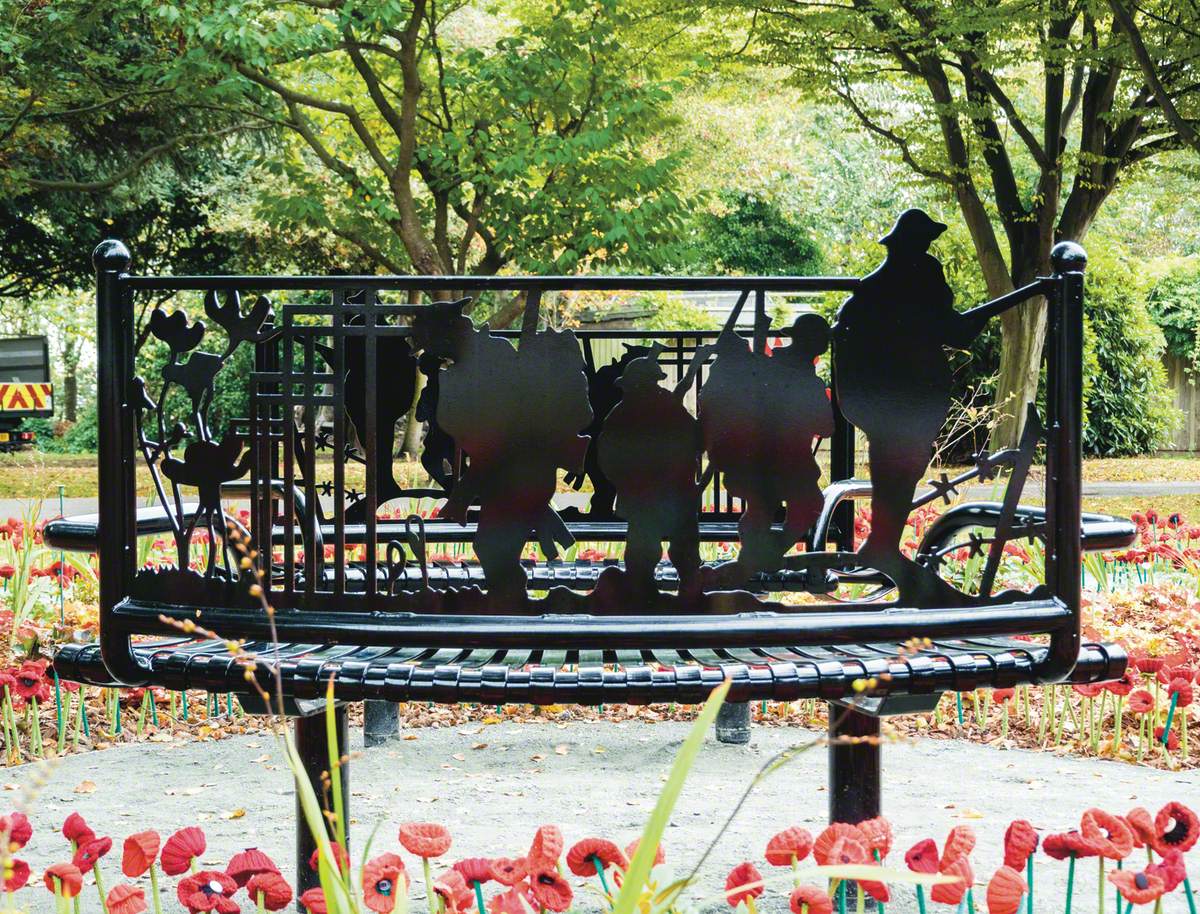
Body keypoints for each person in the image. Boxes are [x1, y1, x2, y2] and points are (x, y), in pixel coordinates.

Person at [833, 208, 988, 599]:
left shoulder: (872, 290)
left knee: (898, 469)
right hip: (906, 401)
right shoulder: (919, 280)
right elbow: (953, 329)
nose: (927, 248)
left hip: (893, 403)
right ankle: (883, 546)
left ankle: (883, 544)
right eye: (923, 241)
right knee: (899, 470)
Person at [597, 345, 703, 599]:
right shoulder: (665, 406)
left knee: (644, 546)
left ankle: (643, 588)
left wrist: (623, 483)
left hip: (643, 497)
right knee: (682, 543)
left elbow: (606, 456)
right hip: (674, 493)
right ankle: (688, 587)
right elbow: (696, 438)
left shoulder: (621, 413)